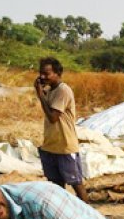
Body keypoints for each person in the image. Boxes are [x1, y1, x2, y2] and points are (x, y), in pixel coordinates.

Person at [34, 57, 88, 203]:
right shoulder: (51, 90)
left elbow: (53, 117)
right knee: (56, 185)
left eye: (47, 74)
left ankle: (88, 213)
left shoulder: (63, 91)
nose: (42, 77)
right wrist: (43, 94)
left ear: (58, 73)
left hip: (65, 146)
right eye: (41, 73)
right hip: (51, 145)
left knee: (76, 183)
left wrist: (40, 96)